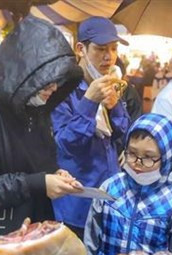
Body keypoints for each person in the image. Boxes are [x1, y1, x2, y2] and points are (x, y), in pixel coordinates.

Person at [0, 15, 83, 255]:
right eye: (47, 81)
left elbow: (37, 163)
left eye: (59, 81)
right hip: (0, 244)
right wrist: (38, 183)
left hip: (30, 233)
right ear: (23, 72)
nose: (54, 88)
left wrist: (54, 174)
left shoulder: (34, 108)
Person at [84, 113, 172, 255]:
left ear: (165, 158)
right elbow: (91, 239)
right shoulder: (109, 189)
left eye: (149, 157)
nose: (138, 163)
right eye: (132, 153)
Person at [51, 16, 130, 239]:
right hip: (77, 204)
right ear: (80, 49)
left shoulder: (110, 84)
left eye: (114, 49)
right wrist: (89, 102)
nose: (109, 57)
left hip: (111, 197)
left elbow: (124, 135)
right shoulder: (62, 90)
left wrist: (114, 107)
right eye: (100, 49)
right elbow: (66, 145)